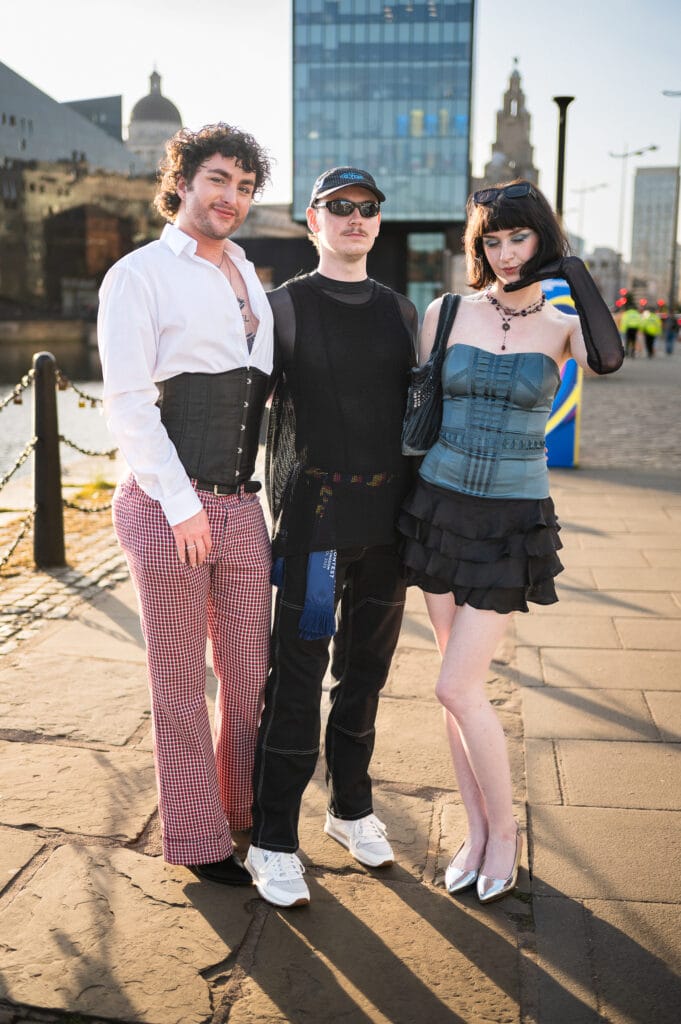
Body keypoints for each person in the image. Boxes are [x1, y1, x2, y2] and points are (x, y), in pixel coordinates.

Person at [398, 180, 623, 905]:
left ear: (542, 242)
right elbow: (417, 408)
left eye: (517, 238)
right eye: (490, 241)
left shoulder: (561, 326)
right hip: (438, 507)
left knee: (456, 685)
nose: (502, 253)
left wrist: (572, 272)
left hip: (509, 518)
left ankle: (506, 835)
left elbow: (608, 358)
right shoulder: (447, 311)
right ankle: (473, 829)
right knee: (455, 694)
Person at [97, 124, 274, 886]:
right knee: (176, 685)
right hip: (170, 508)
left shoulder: (246, 269)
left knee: (250, 675)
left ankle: (244, 810)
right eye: (218, 179)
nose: (230, 197)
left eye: (243, 186)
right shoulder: (137, 275)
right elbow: (130, 404)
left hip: (241, 505)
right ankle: (201, 840)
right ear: (182, 181)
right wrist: (180, 507)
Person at [245, 167, 418, 907]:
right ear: (311, 221)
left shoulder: (403, 312)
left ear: (378, 223)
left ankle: (350, 809)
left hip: (386, 527)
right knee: (298, 674)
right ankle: (271, 839)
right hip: (313, 526)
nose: (354, 218)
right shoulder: (283, 306)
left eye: (367, 209)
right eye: (338, 208)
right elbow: (246, 416)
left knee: (365, 676)